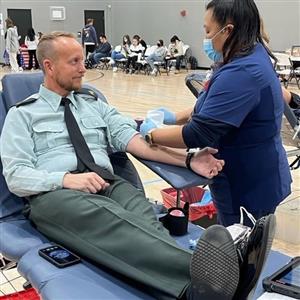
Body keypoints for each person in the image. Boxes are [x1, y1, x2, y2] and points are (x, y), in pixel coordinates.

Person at [0, 31, 275, 300]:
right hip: (56, 195)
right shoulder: (23, 114)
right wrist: (65, 179)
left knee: (141, 216)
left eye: (83, 60)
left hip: (106, 183)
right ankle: (209, 275)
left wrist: (189, 159)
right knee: (109, 219)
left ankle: (195, 291)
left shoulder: (92, 104)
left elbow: (137, 142)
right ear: (49, 66)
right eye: (74, 62)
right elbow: (16, 176)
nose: (84, 68)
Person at [140, 0, 292, 227]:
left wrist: (152, 134)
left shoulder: (243, 73)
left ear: (228, 30)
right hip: (253, 172)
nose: (206, 36)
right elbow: (213, 106)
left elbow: (197, 134)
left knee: (238, 249)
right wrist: (173, 116)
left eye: (208, 30)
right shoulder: (245, 57)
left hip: (247, 184)